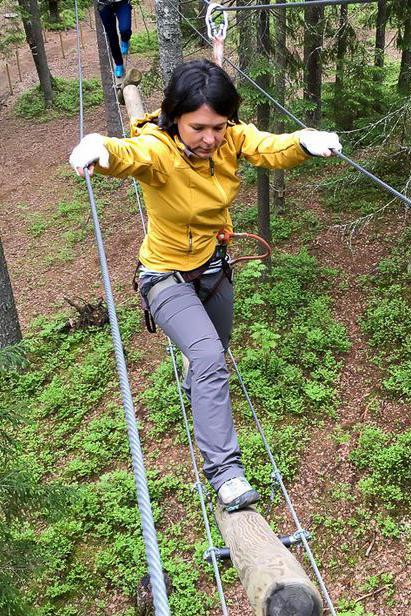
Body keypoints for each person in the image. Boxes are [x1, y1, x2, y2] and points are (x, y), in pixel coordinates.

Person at [69, 59, 341, 512]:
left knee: (215, 352)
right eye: (197, 127)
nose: (209, 138)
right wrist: (101, 146)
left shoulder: (229, 140)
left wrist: (303, 144)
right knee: (210, 357)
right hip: (165, 277)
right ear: (174, 117)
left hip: (214, 269)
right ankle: (226, 473)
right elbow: (129, 155)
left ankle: (203, 398)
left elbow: (267, 147)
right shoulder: (158, 151)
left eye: (218, 126)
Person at [96, 0, 132, 79]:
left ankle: (125, 39)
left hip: (122, 2)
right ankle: (119, 64)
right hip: (104, 4)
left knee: (125, 29)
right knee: (112, 37)